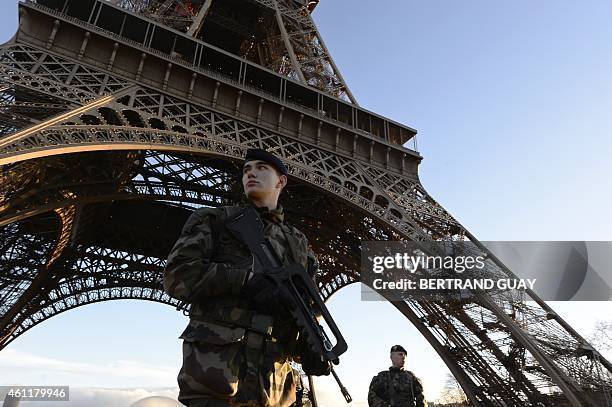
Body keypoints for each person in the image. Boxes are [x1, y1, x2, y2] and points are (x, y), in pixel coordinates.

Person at [164, 149, 325, 407]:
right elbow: (177, 275)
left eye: (261, 168)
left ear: (281, 181)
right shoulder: (214, 221)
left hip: (274, 391)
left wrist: (309, 347)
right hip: (217, 384)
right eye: (247, 169)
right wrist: (245, 280)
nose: (251, 172)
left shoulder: (300, 244)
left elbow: (309, 305)